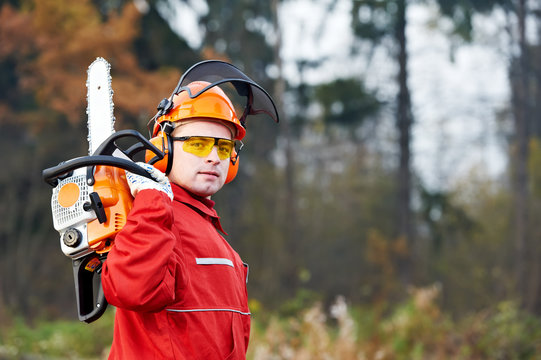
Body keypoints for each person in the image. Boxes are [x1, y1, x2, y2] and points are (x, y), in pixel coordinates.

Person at [101, 76, 266, 359]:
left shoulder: (210, 230)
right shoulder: (153, 214)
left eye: (223, 147)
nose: (214, 157)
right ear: (164, 148)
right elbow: (133, 290)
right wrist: (152, 202)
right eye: (198, 144)